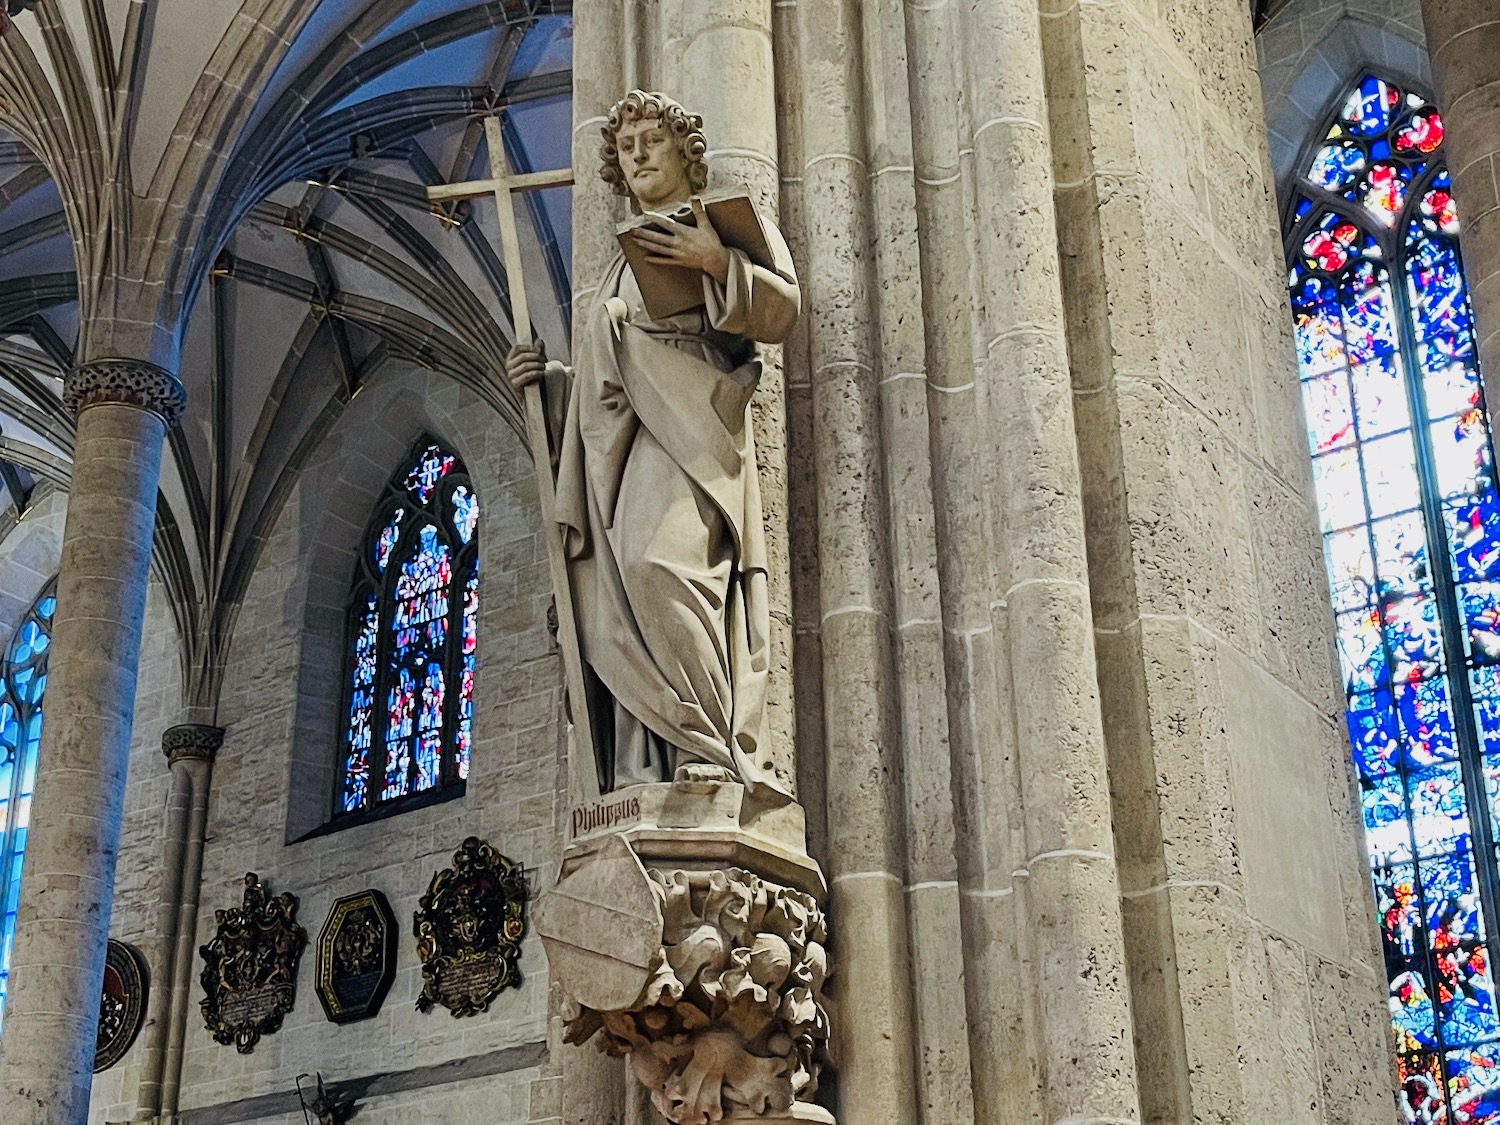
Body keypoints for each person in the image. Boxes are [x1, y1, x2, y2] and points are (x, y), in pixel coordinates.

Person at [506, 90, 799, 799]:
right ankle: (645, 764)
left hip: (692, 432)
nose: (637, 156)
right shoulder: (616, 262)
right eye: (626, 147)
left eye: (652, 143)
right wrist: (544, 383)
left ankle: (713, 748)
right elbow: (602, 375)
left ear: (684, 154)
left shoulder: (721, 223)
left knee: (663, 566)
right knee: (618, 595)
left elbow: (781, 308)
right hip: (627, 444)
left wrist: (715, 262)